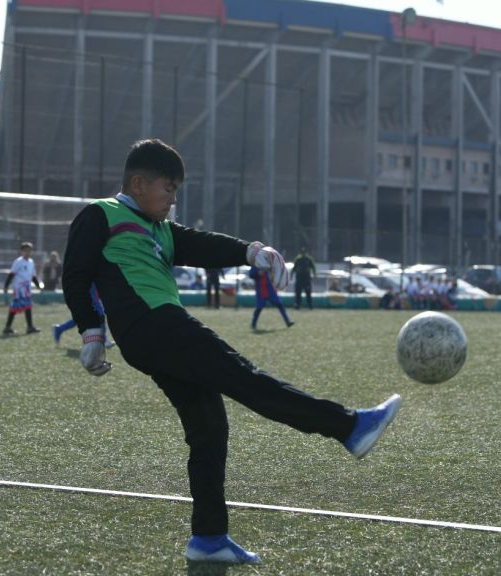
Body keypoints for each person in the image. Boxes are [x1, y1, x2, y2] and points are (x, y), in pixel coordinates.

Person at [62, 138, 402, 565]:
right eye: (168, 188)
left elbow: (203, 245)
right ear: (138, 182)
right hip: (154, 326)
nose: (173, 199)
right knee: (245, 378)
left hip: (156, 333)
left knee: (209, 427)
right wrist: (91, 330)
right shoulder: (100, 214)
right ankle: (349, 427)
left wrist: (252, 252)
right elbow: (74, 274)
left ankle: (208, 538)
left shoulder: (162, 229)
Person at [3, 242, 42, 335]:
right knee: (15, 307)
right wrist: (6, 286)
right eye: (25, 251)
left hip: (27, 288)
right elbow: (11, 274)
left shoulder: (31, 262)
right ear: (21, 251)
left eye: (29, 251)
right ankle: (8, 327)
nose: (27, 252)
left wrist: (38, 286)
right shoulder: (18, 262)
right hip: (19, 288)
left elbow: (33, 276)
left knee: (27, 307)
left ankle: (29, 327)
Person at [249, 265, 294, 330]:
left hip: (270, 289)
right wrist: (258, 274)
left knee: (279, 304)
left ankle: (288, 321)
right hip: (261, 289)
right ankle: (253, 324)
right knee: (259, 307)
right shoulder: (256, 264)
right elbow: (251, 274)